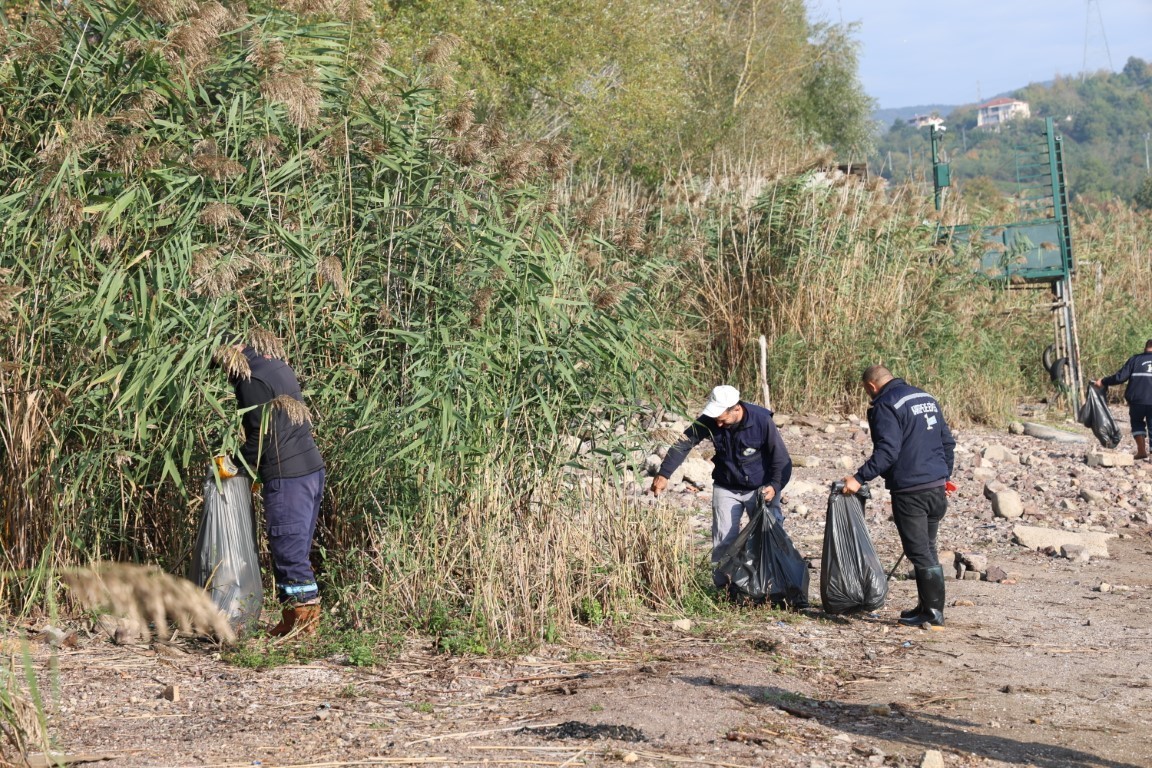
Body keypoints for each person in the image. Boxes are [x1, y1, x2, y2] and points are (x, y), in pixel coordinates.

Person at [214, 336, 326, 637]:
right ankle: (292, 620)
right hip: (310, 470)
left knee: (288, 551)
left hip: (287, 475)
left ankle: (305, 627)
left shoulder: (251, 379)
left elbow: (261, 436)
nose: (224, 372)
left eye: (221, 363)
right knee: (295, 549)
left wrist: (234, 464)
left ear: (232, 352)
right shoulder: (275, 364)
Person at [649, 385, 792, 595]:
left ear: (736, 409)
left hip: (761, 488)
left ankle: (773, 590)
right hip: (726, 486)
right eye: (715, 418)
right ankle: (724, 590)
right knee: (723, 540)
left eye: (722, 419)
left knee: (767, 538)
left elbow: (781, 459)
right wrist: (664, 474)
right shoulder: (711, 419)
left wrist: (775, 486)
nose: (718, 423)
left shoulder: (762, 421)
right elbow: (684, 443)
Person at [841, 366, 955, 628]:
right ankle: (925, 606)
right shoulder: (925, 397)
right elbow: (947, 443)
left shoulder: (885, 404)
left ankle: (933, 614)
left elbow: (888, 451)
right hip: (936, 487)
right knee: (928, 548)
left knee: (919, 552)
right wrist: (944, 475)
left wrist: (859, 478)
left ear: (871, 386)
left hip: (911, 490)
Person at [1093, 339, 1152, 460]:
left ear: (1145, 347)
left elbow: (1120, 377)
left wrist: (1103, 381)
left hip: (1136, 400)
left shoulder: (1135, 359)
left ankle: (1141, 451)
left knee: (1137, 423)